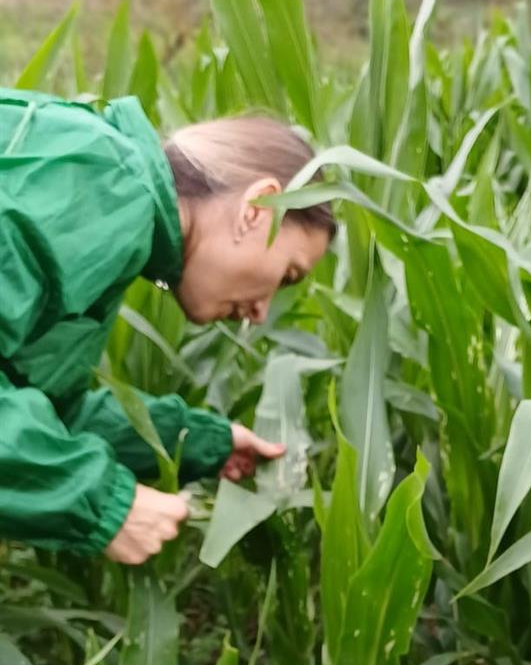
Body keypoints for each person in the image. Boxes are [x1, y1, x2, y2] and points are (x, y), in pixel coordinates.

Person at [0, 93, 334, 564]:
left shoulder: (112, 200)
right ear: (258, 208)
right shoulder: (104, 186)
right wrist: (101, 502)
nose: (261, 313)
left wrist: (196, 439)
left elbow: (42, 405)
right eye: (287, 275)